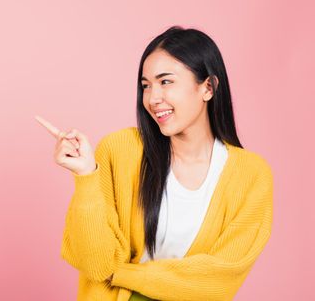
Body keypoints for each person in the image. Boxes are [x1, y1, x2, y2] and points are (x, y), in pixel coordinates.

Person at [36, 25, 273, 301]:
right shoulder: (119, 151)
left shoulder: (251, 175)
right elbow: (95, 264)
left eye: (166, 82)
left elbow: (218, 281)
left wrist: (122, 274)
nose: (152, 98)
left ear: (208, 87)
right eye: (146, 86)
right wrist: (87, 176)